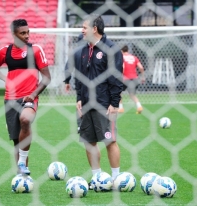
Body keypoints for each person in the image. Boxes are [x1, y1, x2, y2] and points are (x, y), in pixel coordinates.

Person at [0, 19, 51, 176]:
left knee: (25, 119)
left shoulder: (35, 50)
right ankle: (22, 176)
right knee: (17, 140)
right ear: (14, 34)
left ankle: (22, 163)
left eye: (28, 32)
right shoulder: (5, 51)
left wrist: (33, 94)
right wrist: (5, 79)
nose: (27, 36)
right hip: (10, 99)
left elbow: (47, 78)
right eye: (23, 33)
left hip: (29, 98)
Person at [75, 14, 123, 187]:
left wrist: (115, 103)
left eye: (84, 27)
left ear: (94, 29)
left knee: (110, 140)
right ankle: (97, 178)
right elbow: (79, 76)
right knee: (89, 141)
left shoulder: (111, 49)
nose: (82, 30)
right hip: (86, 103)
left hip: (104, 105)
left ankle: (116, 177)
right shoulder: (82, 50)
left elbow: (117, 79)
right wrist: (79, 97)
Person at [64, 34, 84, 133]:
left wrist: (67, 81)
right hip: (95, 82)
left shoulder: (75, 52)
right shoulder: (95, 49)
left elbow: (68, 68)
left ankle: (80, 126)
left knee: (80, 103)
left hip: (80, 83)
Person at [118, 45, 145, 114]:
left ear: (121, 51)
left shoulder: (121, 57)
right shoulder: (134, 57)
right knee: (132, 94)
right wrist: (143, 77)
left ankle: (121, 108)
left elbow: (123, 67)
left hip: (125, 79)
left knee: (118, 93)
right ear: (128, 51)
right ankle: (139, 106)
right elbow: (141, 67)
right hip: (134, 78)